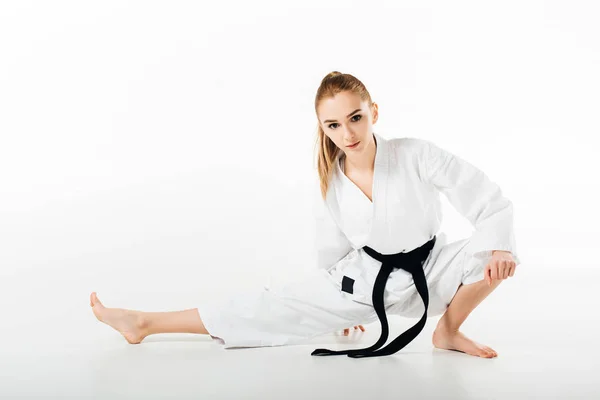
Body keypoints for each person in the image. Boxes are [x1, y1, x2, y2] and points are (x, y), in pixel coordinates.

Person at [90, 71, 520, 358]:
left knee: (497, 253)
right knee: (265, 308)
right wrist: (342, 311)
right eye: (333, 125)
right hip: (363, 284)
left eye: (355, 117)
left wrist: (500, 245)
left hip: (431, 266)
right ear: (323, 128)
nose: (347, 133)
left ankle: (447, 331)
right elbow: (331, 252)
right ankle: (145, 322)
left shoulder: (415, 154)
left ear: (374, 112)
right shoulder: (328, 179)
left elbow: (489, 201)